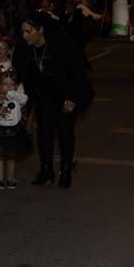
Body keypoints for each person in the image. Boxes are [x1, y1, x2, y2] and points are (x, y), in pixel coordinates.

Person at [15, 13, 93, 188]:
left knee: (65, 132)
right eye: (23, 32)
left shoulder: (62, 45)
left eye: (29, 31)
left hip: (65, 95)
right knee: (44, 133)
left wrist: (72, 98)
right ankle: (46, 169)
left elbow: (78, 74)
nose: (25, 36)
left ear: (40, 30)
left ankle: (65, 171)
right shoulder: (25, 49)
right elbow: (23, 78)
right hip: (44, 97)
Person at [0, 70, 31, 190]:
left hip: (13, 130)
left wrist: (10, 93)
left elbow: (25, 99)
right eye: (5, 84)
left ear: (16, 86)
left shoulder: (17, 96)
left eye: (12, 84)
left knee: (11, 157)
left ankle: (10, 178)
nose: (8, 87)